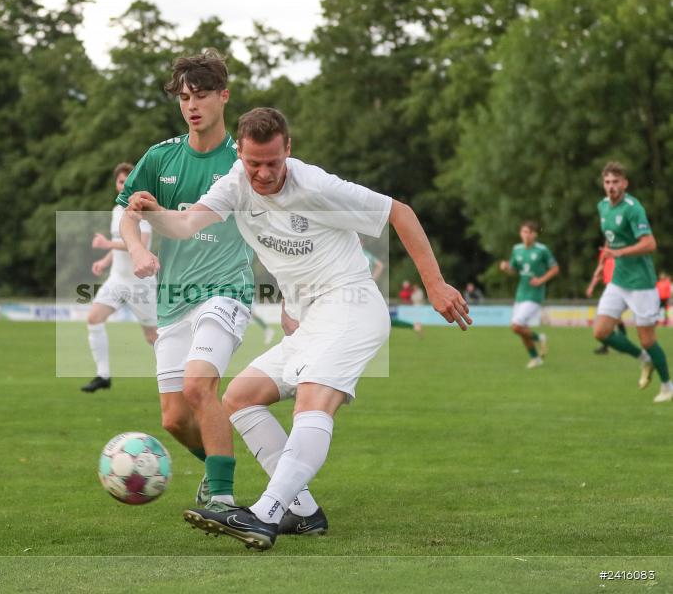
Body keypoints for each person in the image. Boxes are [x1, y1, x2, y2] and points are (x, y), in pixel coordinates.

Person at [127, 107, 471, 550]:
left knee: (312, 398)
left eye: (273, 162)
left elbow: (399, 213)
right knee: (238, 398)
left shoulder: (317, 186)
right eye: (254, 163)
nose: (264, 173)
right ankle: (305, 513)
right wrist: (153, 212)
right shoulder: (234, 182)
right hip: (311, 320)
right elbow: (188, 223)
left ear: (288, 149)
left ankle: (265, 514)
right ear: (241, 155)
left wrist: (435, 283)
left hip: (352, 306)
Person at [118, 50, 254, 509]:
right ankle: (218, 466)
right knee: (175, 418)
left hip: (226, 290)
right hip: (173, 298)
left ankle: (224, 499)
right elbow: (124, 214)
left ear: (223, 97)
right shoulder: (160, 157)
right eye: (183, 97)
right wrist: (136, 246)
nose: (191, 105)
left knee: (199, 386)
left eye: (200, 95)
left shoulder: (242, 162)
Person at [592, 162, 672, 402]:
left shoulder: (633, 208)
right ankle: (644, 361)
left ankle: (667, 385)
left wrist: (621, 253)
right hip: (618, 281)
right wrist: (600, 267)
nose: (611, 187)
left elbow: (650, 243)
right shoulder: (602, 206)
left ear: (625, 184)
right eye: (607, 182)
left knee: (647, 340)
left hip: (641, 283)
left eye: (616, 182)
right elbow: (610, 240)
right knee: (601, 332)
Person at [80, 162, 158, 393]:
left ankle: (177, 375)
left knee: (153, 336)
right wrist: (104, 261)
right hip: (117, 279)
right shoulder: (117, 211)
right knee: (94, 318)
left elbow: (141, 246)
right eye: (120, 182)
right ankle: (103, 375)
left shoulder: (143, 211)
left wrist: (106, 243)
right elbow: (119, 245)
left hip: (140, 282)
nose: (123, 185)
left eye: (128, 181)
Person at [498, 221, 559, 368]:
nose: (526, 235)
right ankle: (535, 358)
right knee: (521, 329)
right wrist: (506, 267)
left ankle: (540, 337)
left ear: (534, 234)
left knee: (516, 326)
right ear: (520, 234)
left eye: (529, 232)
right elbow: (514, 270)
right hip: (521, 294)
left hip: (534, 295)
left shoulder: (542, 250)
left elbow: (555, 268)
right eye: (523, 232)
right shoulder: (517, 249)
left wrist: (541, 280)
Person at [586, 247, 628, 354]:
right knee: (613, 319)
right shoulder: (605, 255)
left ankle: (618, 345)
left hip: (620, 287)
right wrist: (591, 286)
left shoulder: (621, 252)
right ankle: (618, 344)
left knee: (610, 319)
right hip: (610, 289)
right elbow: (600, 271)